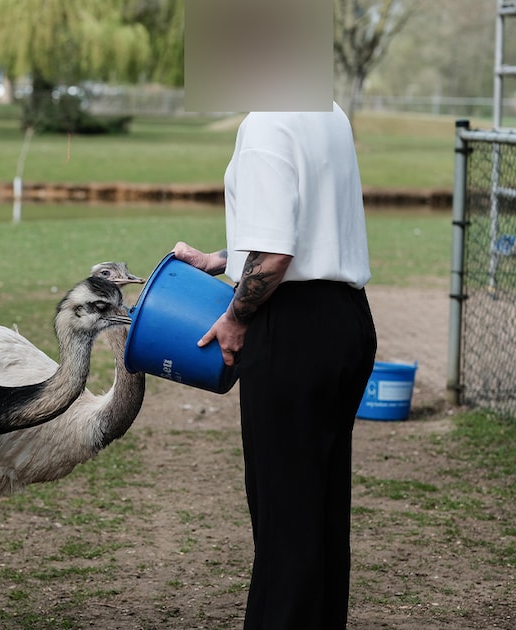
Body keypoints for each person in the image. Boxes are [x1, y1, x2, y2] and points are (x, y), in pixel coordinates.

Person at [172, 102, 377, 629]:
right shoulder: (328, 111)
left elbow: (277, 256)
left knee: (284, 515)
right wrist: (222, 260)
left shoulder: (265, 123)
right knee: (321, 507)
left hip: (292, 328)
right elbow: (303, 228)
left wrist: (236, 317)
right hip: (346, 320)